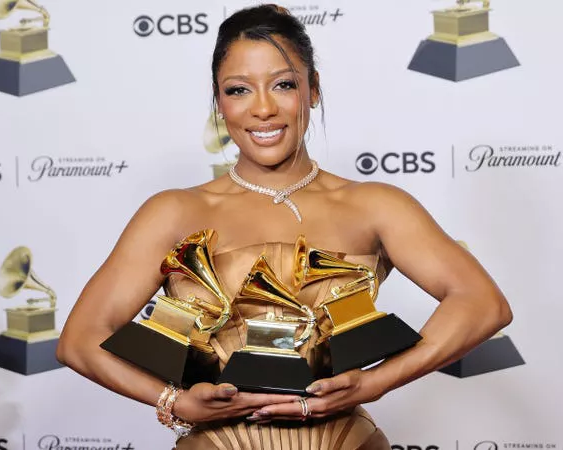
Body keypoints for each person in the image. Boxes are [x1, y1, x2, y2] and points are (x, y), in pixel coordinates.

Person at [56, 4, 513, 449]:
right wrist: (173, 400)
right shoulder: (173, 212)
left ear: (313, 89)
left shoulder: (374, 205)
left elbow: (481, 304)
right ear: (218, 102)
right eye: (238, 90)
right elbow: (80, 340)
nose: (263, 109)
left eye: (283, 84)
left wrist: (375, 383)